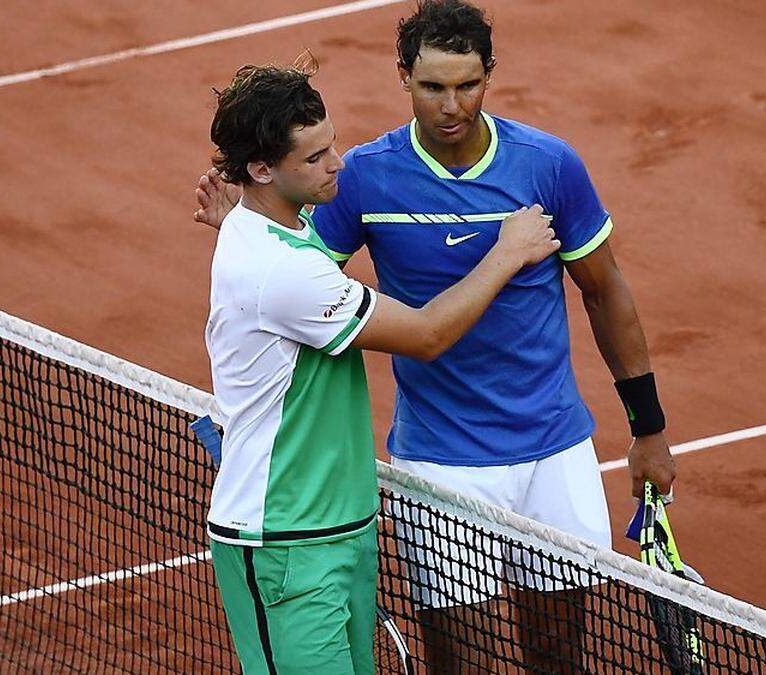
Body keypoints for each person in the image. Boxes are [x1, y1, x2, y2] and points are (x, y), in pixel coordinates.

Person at [196, 2, 677, 671]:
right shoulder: (364, 175)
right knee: (461, 660)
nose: (451, 105)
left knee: (562, 654)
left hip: (554, 452)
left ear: (489, 76)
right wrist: (244, 223)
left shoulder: (548, 165)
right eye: (431, 87)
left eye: (467, 84)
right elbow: (295, 276)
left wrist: (647, 426)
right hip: (440, 462)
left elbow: (605, 291)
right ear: (403, 77)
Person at [202, 61, 559, 674]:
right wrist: (508, 252)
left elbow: (277, 244)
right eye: (314, 158)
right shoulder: (281, 269)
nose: (337, 163)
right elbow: (426, 334)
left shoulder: (278, 227)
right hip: (284, 542)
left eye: (332, 145)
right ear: (262, 169)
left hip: (342, 528)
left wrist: (240, 208)